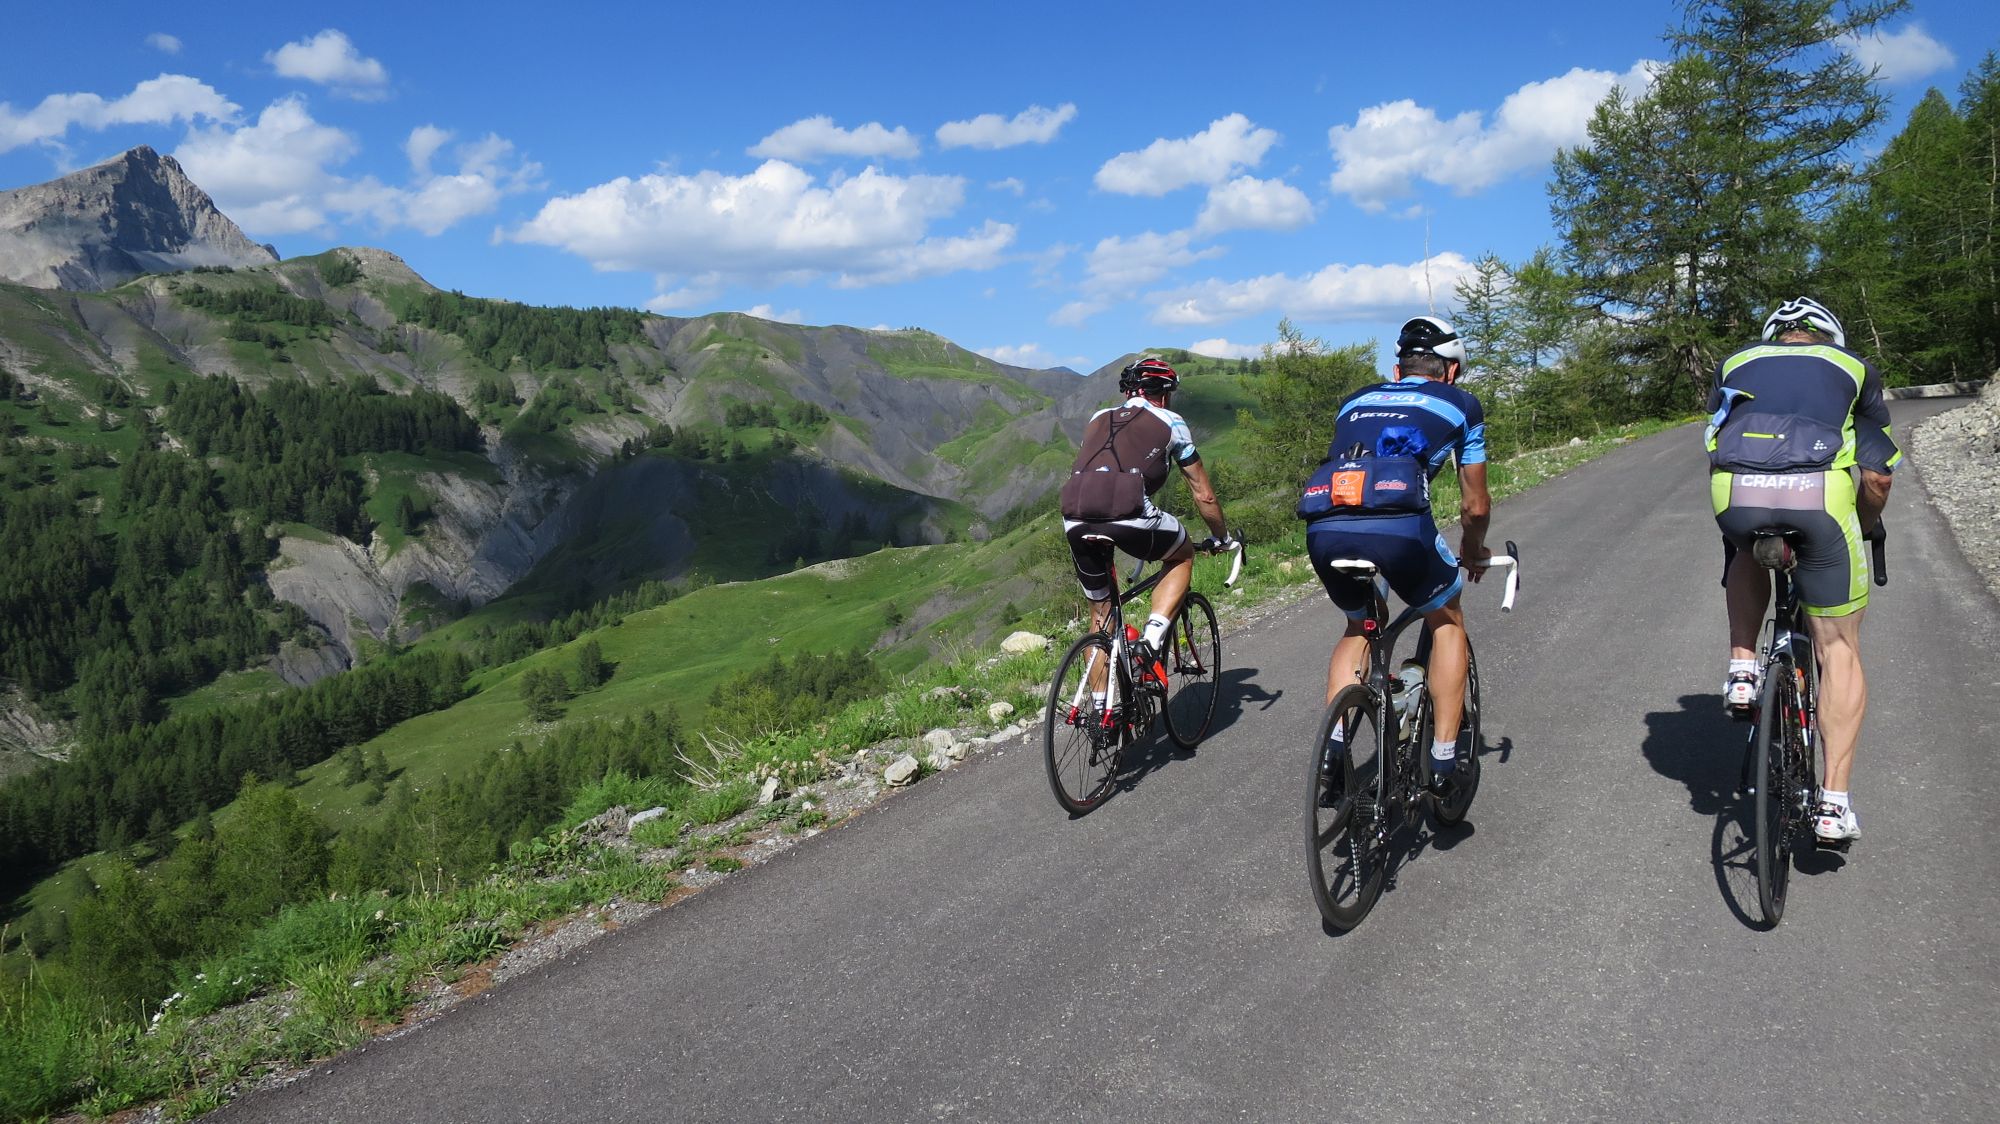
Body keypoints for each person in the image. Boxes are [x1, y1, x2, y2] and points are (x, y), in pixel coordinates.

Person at [1707, 296, 1898, 847]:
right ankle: (1833, 805)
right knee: (1838, 648)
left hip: (1735, 493)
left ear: (1773, 336)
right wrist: (1863, 524)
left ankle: (1743, 670)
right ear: (1829, 337)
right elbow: (1877, 477)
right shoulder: (1854, 368)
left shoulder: (1734, 362)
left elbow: (1716, 445)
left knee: (1742, 548)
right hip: (1819, 500)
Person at [1302, 316, 1491, 794]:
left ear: (1397, 370)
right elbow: (1475, 506)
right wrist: (1472, 551)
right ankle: (1443, 763)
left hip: (1325, 527)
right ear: (1451, 371)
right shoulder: (1463, 404)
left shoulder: (1356, 400)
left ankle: (1333, 749)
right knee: (1446, 620)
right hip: (1400, 529)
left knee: (1360, 625)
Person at [1059, 355, 1230, 673]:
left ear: (1128, 392)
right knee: (1182, 555)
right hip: (1128, 509)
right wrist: (1222, 537)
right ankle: (1150, 641)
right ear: (1164, 394)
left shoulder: (1098, 417)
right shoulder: (1171, 420)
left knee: (1100, 618)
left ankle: (1100, 703)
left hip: (1073, 512)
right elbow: (1204, 494)